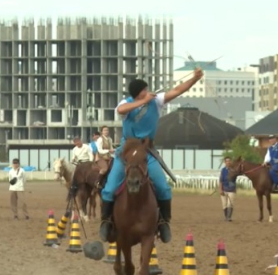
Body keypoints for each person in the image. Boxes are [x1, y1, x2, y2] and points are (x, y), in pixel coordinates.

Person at [100, 67, 204, 245]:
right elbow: (122, 110)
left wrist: (195, 79)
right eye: (144, 90)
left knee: (163, 188)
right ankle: (106, 221)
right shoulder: (126, 102)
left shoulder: (156, 101)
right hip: (127, 151)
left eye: (147, 90)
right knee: (109, 189)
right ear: (138, 93)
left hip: (147, 151)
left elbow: (178, 90)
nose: (148, 92)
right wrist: (142, 102)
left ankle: (164, 222)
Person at [219, 156, 237, 222]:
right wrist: (220, 189)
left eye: (229, 161)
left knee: (230, 204)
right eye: (227, 161)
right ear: (225, 162)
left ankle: (229, 217)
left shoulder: (233, 170)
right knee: (224, 204)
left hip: (231, 189)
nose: (228, 162)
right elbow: (220, 180)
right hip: (224, 189)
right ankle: (226, 217)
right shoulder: (223, 170)